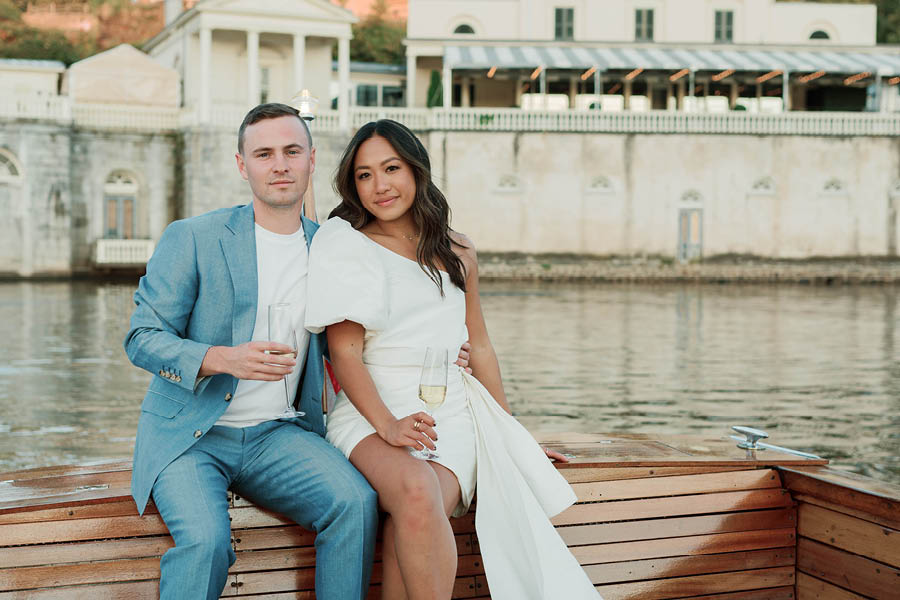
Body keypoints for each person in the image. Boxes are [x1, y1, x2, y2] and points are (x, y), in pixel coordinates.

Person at [124, 104, 472, 600]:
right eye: (264, 154)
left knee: (355, 503)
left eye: (291, 152)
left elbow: (361, 339)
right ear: (243, 165)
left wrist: (446, 351)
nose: (280, 165)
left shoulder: (335, 246)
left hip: (280, 435)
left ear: (311, 160)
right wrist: (222, 358)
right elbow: (141, 337)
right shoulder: (194, 237)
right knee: (205, 543)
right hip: (193, 434)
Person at [305, 119, 600, 600]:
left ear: (417, 170)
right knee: (417, 492)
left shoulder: (457, 251)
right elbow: (345, 353)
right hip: (371, 409)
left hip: (454, 414)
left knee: (417, 508)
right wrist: (389, 425)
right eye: (363, 175)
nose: (379, 186)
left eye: (391, 168)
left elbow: (479, 345)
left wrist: (511, 437)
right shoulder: (345, 242)